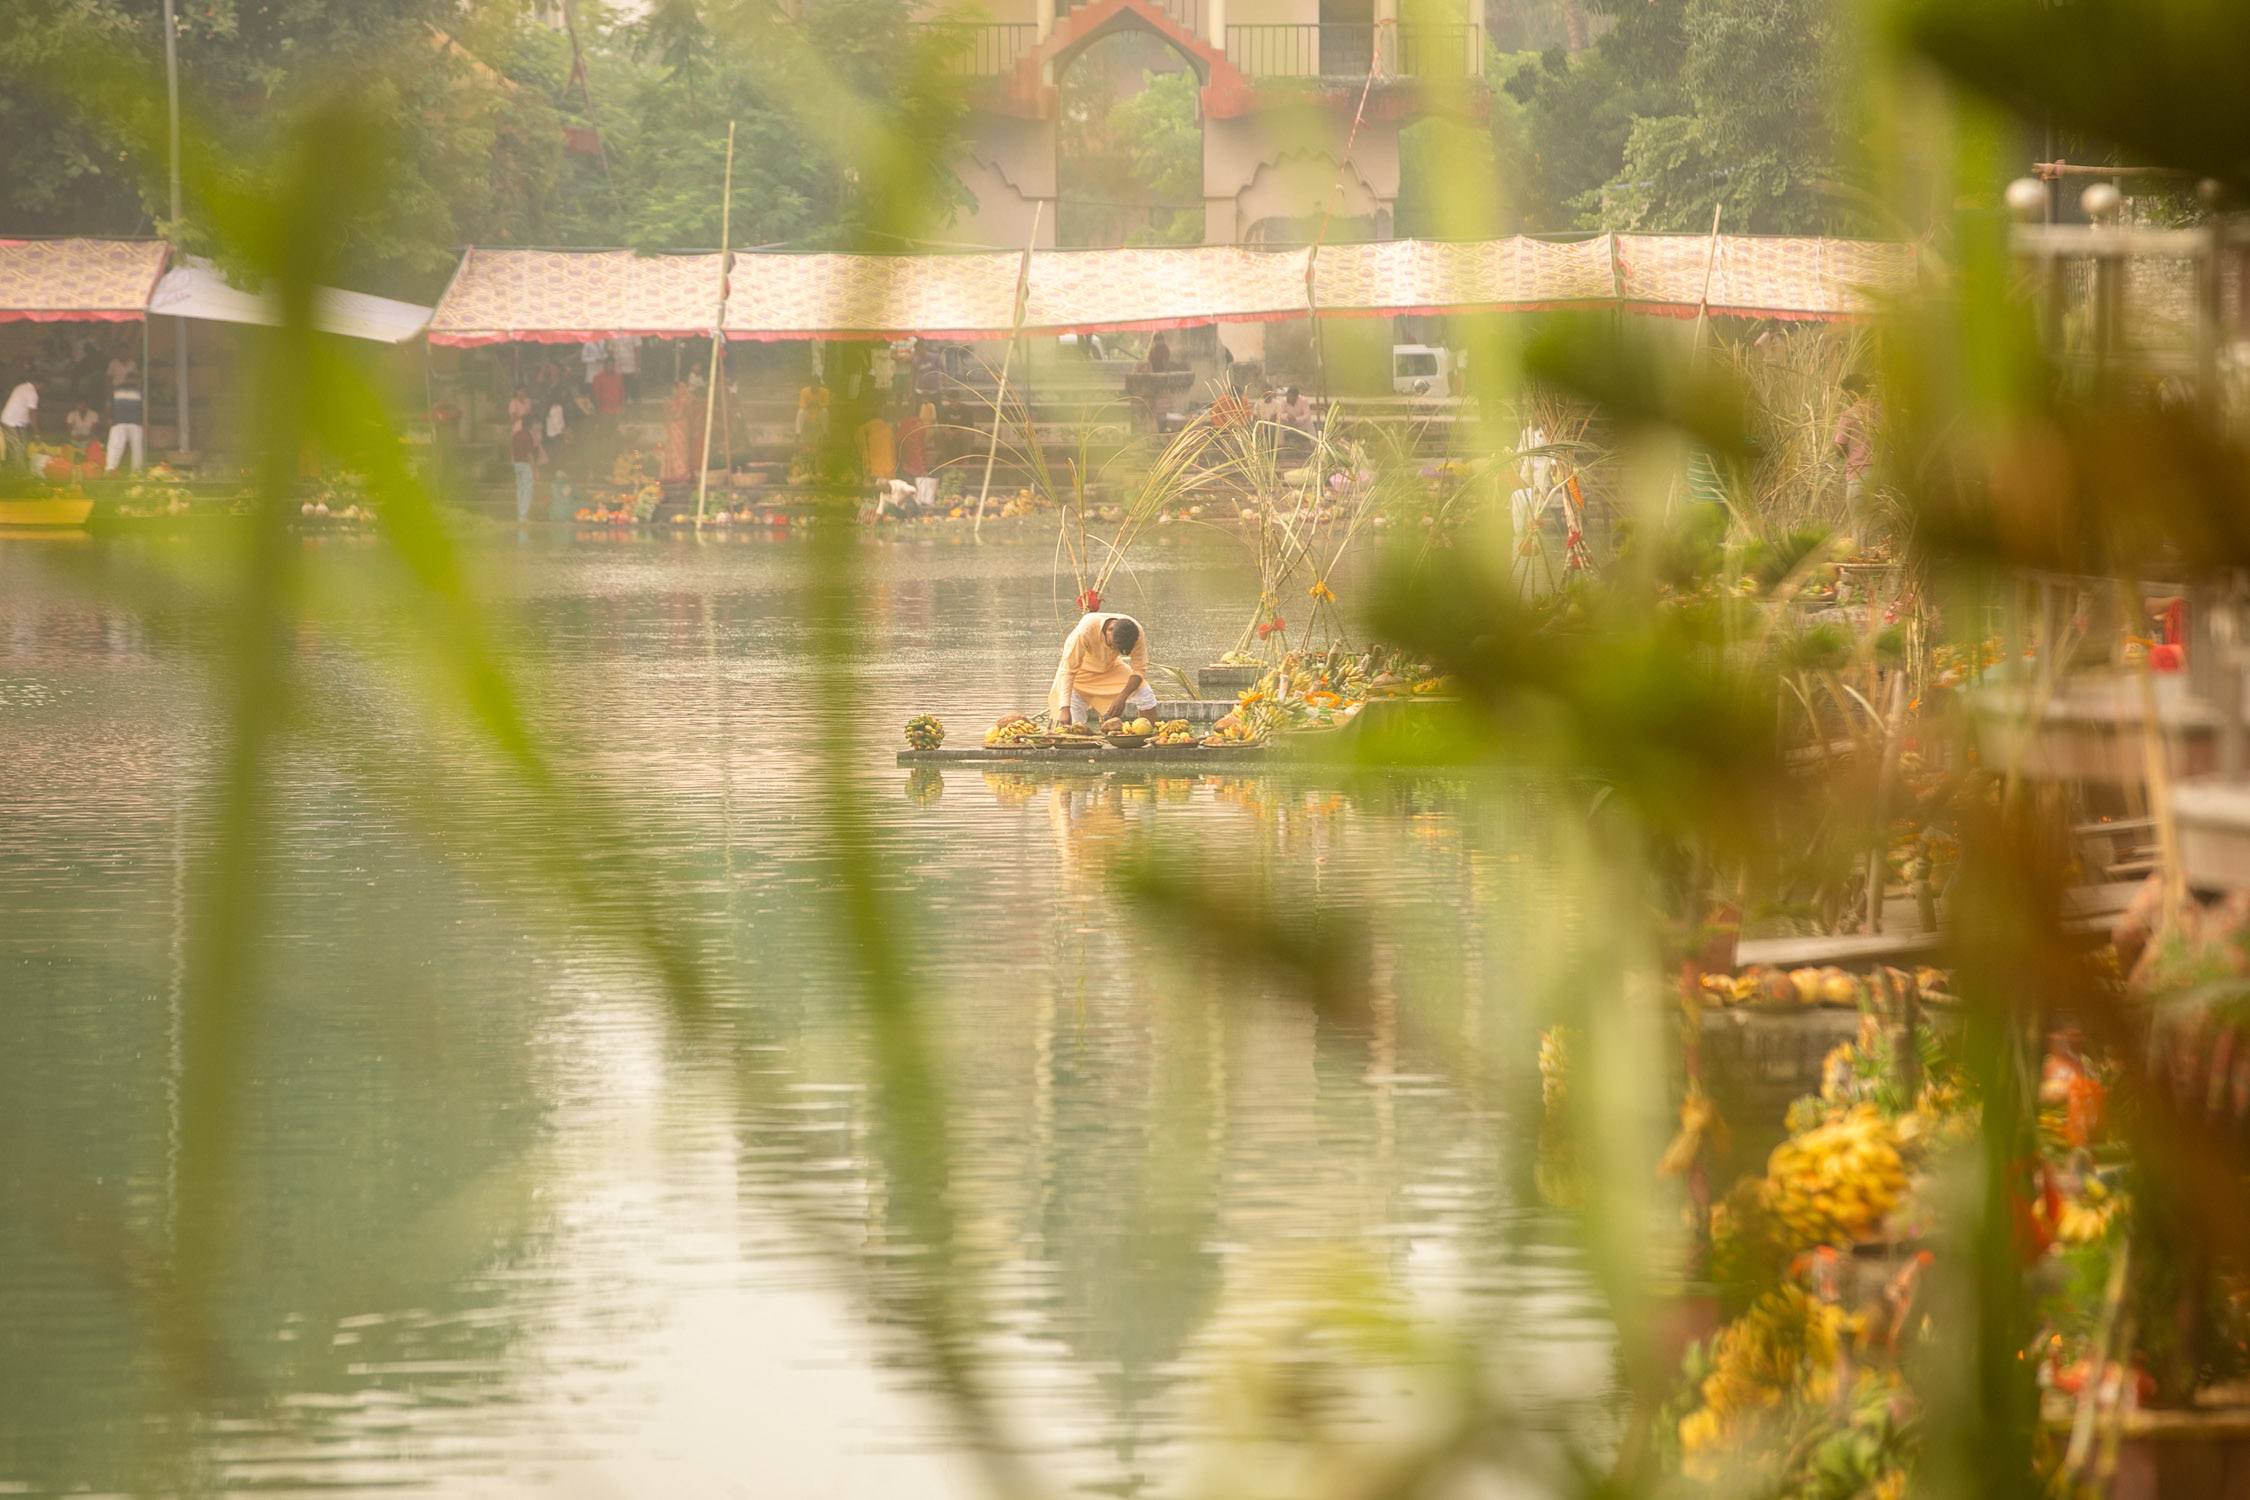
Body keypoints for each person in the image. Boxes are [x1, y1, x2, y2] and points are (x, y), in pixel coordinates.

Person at [1048, 611, 1156, 728]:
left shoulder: (1136, 633)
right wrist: (1065, 709)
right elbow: (1068, 671)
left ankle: (1149, 734)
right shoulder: (1085, 631)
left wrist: (1123, 696)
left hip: (1110, 668)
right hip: (1079, 676)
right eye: (1111, 646)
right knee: (1074, 724)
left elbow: (1139, 670)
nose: (1113, 650)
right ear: (1109, 629)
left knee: (1145, 694)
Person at [1833, 373, 1881, 526]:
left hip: (1860, 476)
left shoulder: (1849, 414)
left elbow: (1839, 447)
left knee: (1860, 527)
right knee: (1884, 530)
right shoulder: (1885, 409)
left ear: (1852, 392)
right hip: (1887, 477)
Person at [104, 369, 144, 473]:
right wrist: (145, 421)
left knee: (115, 446)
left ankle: (110, 469)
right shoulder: (139, 391)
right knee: (136, 448)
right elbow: (144, 406)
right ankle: (137, 471)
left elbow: (108, 406)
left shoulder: (116, 389)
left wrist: (109, 418)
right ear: (136, 380)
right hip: (135, 422)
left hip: (119, 421)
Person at [663, 378, 696, 485]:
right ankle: (675, 473)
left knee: (680, 451)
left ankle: (682, 474)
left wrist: (669, 411)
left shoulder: (684, 400)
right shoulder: (678, 401)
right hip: (675, 427)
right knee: (674, 450)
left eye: (674, 390)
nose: (673, 392)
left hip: (680, 427)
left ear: (679, 389)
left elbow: (678, 414)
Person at [2, 374, 38, 470]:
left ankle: (20, 467)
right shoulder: (32, 392)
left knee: (22, 445)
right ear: (40, 384)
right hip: (11, 422)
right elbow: (32, 414)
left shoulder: (21, 387)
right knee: (18, 446)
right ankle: (20, 471)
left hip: (17, 422)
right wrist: (37, 433)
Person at [896, 400, 932, 478]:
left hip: (909, 453)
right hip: (916, 451)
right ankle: (921, 473)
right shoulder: (919, 422)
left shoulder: (906, 423)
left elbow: (898, 439)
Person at [857, 410, 895, 482]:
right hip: (889, 471)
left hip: (874, 473)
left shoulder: (863, 429)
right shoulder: (887, 428)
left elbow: (863, 453)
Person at [511, 419, 537, 522]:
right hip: (525, 465)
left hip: (517, 464)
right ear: (530, 426)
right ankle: (523, 515)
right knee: (527, 491)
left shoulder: (516, 435)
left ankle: (520, 514)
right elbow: (529, 454)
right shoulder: (527, 436)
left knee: (520, 490)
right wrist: (535, 469)